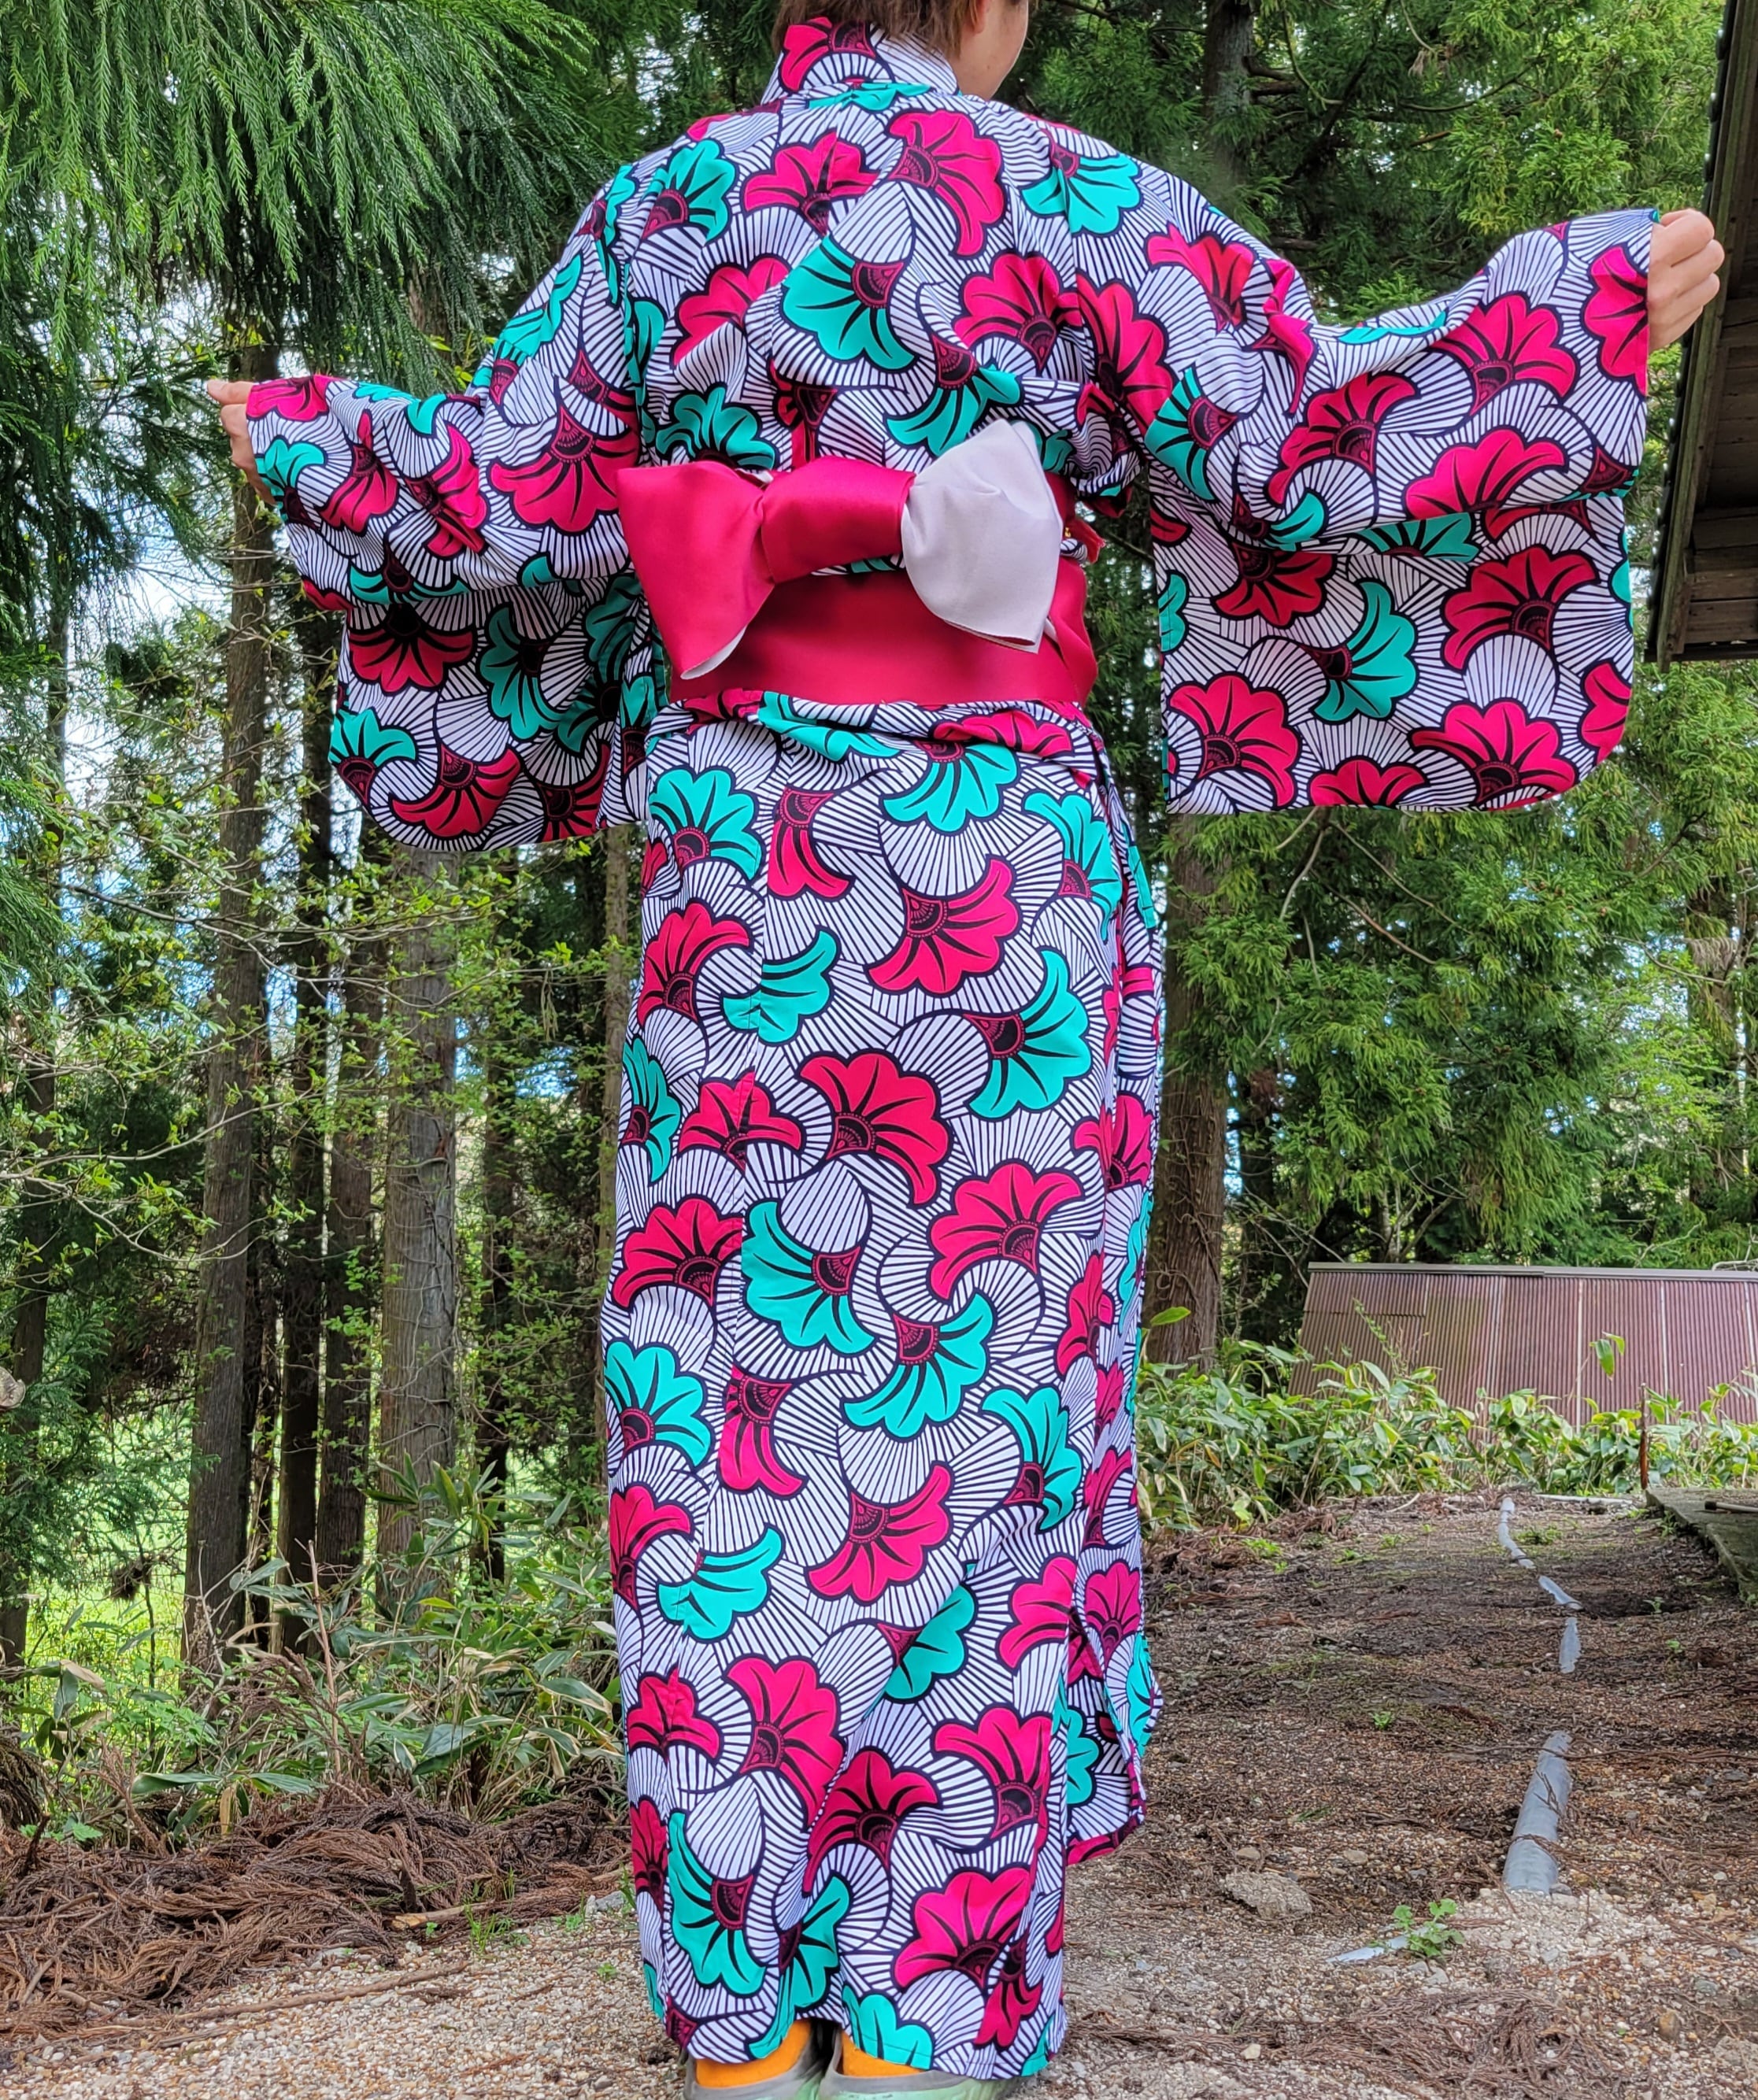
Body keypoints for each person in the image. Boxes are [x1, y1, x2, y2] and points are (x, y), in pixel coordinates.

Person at [212, 5, 1720, 2094]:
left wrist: (315, 440)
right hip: (994, 883)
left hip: (744, 871)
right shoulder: (1067, 196)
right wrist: (1572, 312)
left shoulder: (663, 212)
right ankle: (926, 2008)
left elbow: (498, 500)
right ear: (993, 5)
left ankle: (746, 2016)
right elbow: (1306, 431)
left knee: (728, 1414)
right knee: (978, 1420)